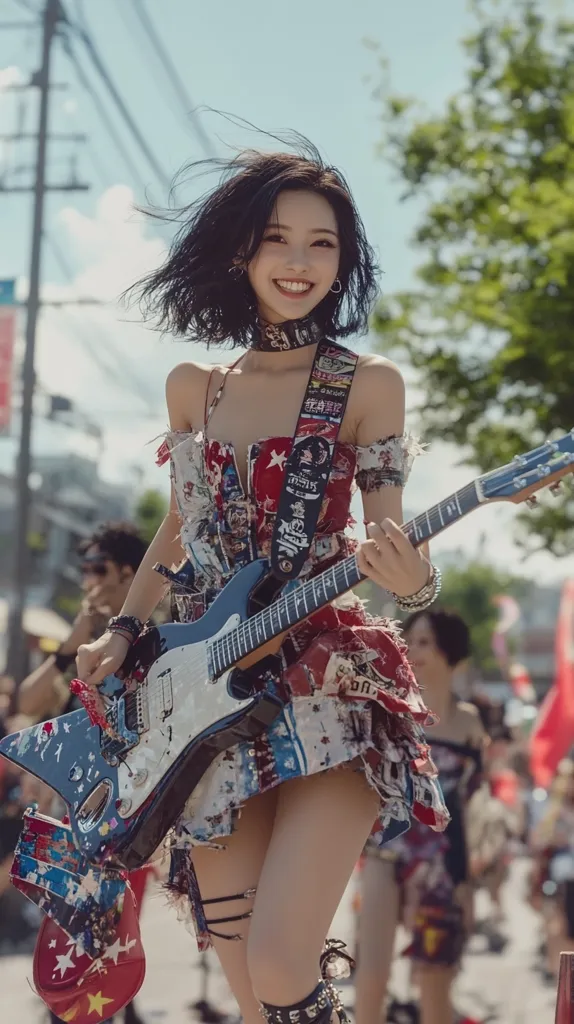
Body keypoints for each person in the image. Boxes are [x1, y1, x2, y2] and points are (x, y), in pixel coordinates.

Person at [76, 142, 449, 1024]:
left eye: (323, 244)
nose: (299, 262)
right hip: (198, 692)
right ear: (241, 250)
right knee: (251, 996)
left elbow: (390, 534)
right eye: (279, 239)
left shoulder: (367, 385)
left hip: (326, 677)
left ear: (344, 261)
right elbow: (180, 522)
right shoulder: (194, 387)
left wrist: (415, 582)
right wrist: (123, 632)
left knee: (285, 966)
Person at [354, 609, 485, 1024]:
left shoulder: (470, 722)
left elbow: (462, 806)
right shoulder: (391, 710)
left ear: (449, 651)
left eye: (425, 642)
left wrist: (465, 883)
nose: (414, 650)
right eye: (409, 641)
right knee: (371, 977)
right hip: (385, 850)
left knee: (434, 981)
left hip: (440, 865)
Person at [18, 521, 148, 721]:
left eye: (98, 568)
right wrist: (70, 647)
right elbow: (27, 704)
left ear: (127, 572)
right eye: (85, 569)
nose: (88, 580)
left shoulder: (151, 634)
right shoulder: (89, 632)